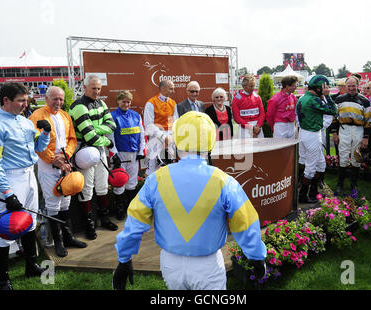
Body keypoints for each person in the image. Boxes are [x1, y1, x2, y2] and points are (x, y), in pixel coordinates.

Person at [113, 111, 267, 290]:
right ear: (210, 143)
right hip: (208, 265)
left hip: (170, 264)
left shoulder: (156, 179)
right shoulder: (224, 181)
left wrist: (124, 259)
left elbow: (135, 222)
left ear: (177, 141)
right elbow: (245, 222)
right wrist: (256, 256)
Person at [0, 82, 51, 290]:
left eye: (26, 100)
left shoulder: (26, 122)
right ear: (6, 100)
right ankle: (3, 279)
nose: (25, 104)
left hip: (29, 176)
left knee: (30, 222)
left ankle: (31, 266)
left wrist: (45, 134)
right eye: (20, 100)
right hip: (8, 180)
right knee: (5, 230)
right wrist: (8, 193)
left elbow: (36, 149)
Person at [29, 86, 87, 257]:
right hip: (48, 166)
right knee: (53, 203)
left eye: (61, 99)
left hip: (65, 162)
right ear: (46, 99)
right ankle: (58, 242)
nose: (58, 102)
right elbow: (37, 143)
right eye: (55, 99)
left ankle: (68, 237)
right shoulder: (37, 116)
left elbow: (72, 139)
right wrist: (54, 159)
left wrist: (66, 156)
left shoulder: (65, 115)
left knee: (66, 201)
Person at [69, 75, 118, 240]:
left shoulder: (102, 103)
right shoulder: (78, 106)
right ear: (84, 87)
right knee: (87, 189)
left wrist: (95, 127)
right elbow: (89, 137)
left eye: (99, 88)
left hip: (99, 149)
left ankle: (104, 219)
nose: (97, 91)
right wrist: (108, 142)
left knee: (102, 185)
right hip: (85, 151)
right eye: (93, 88)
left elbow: (112, 125)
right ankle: (89, 225)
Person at [296, 75, 337, 203]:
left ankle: (313, 193)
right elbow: (333, 110)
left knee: (321, 164)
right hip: (312, 134)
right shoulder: (314, 100)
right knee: (311, 167)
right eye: (324, 87)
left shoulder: (303, 98)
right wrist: (328, 96)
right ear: (319, 88)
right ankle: (303, 195)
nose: (326, 89)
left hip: (305, 133)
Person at [108, 91, 146, 220]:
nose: (126, 104)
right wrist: (114, 155)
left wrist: (141, 151)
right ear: (118, 101)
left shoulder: (136, 115)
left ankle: (131, 209)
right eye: (123, 101)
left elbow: (141, 134)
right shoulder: (112, 116)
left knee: (132, 183)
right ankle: (120, 209)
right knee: (119, 183)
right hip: (120, 154)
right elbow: (110, 137)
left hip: (133, 154)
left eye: (128, 101)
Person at [331, 76, 371, 195]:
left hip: (359, 130)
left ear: (358, 86)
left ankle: (354, 185)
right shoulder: (339, 99)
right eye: (349, 86)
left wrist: (366, 137)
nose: (351, 88)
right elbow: (334, 118)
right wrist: (334, 133)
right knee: (342, 157)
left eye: (354, 85)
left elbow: (368, 120)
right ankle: (340, 184)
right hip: (344, 129)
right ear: (346, 86)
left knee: (356, 158)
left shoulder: (364, 100)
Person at [143, 80, 176, 175]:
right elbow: (149, 126)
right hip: (155, 139)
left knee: (169, 169)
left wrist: (170, 138)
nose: (173, 91)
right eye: (171, 88)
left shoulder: (173, 103)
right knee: (152, 169)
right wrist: (163, 138)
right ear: (162, 88)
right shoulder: (151, 103)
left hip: (169, 139)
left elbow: (174, 123)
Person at [232, 74, 265, 138]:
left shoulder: (257, 97)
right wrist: (251, 128)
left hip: (257, 127)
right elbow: (237, 118)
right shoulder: (237, 98)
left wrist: (258, 126)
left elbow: (262, 114)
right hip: (244, 128)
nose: (253, 88)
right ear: (244, 86)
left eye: (254, 86)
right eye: (250, 86)